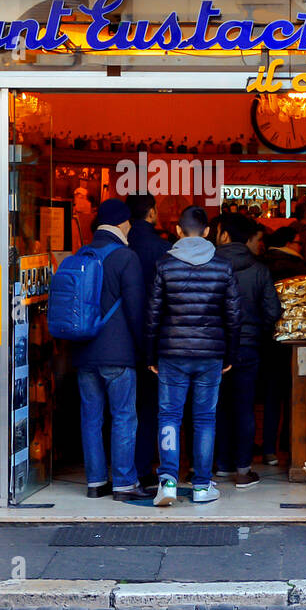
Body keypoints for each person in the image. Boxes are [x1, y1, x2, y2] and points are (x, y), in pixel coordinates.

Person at [145, 205, 243, 506]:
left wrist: (151, 355)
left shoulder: (164, 265)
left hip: (171, 353)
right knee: (204, 419)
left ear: (177, 231)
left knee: (170, 416)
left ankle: (169, 482)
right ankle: (201, 486)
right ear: (208, 231)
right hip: (210, 353)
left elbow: (153, 315)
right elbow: (234, 316)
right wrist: (230, 354)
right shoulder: (223, 267)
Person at [68, 199, 155, 501]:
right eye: (129, 222)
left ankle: (95, 482)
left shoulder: (81, 254)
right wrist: (145, 351)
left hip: (83, 352)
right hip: (117, 354)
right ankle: (123, 483)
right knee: (123, 418)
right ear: (121, 223)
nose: (131, 227)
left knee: (91, 418)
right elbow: (135, 310)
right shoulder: (125, 257)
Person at [214, 214, 281, 487]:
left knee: (215, 407)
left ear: (225, 235)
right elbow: (273, 311)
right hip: (248, 347)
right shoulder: (259, 268)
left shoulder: (210, 265)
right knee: (244, 407)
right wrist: (256, 332)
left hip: (216, 347)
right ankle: (243, 471)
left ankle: (219, 465)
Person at [125, 192, 170, 487]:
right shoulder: (163, 248)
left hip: (120, 337)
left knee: (120, 409)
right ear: (152, 213)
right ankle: (144, 466)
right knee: (151, 407)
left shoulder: (121, 246)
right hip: (155, 338)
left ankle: (122, 469)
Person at [258, 226, 306, 465]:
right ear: (291, 244)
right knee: (297, 395)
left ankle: (269, 449)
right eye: (300, 243)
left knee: (271, 395)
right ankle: (292, 447)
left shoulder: (260, 266)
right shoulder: (301, 270)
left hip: (265, 341)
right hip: (297, 342)